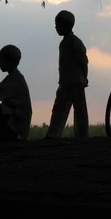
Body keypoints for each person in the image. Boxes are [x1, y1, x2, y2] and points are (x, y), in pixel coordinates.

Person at [45, 10, 89, 139]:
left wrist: (84, 78)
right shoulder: (64, 43)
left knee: (79, 111)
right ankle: (54, 133)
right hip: (65, 82)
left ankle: (81, 135)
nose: (56, 27)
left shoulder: (75, 42)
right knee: (59, 109)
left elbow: (83, 62)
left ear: (67, 25)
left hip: (76, 82)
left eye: (58, 24)